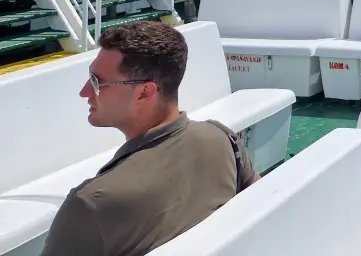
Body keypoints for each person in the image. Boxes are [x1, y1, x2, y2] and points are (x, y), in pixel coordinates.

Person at [41, 21, 258, 256]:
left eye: (97, 82)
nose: (84, 91)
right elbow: (258, 209)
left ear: (145, 92)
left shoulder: (91, 204)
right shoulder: (224, 141)